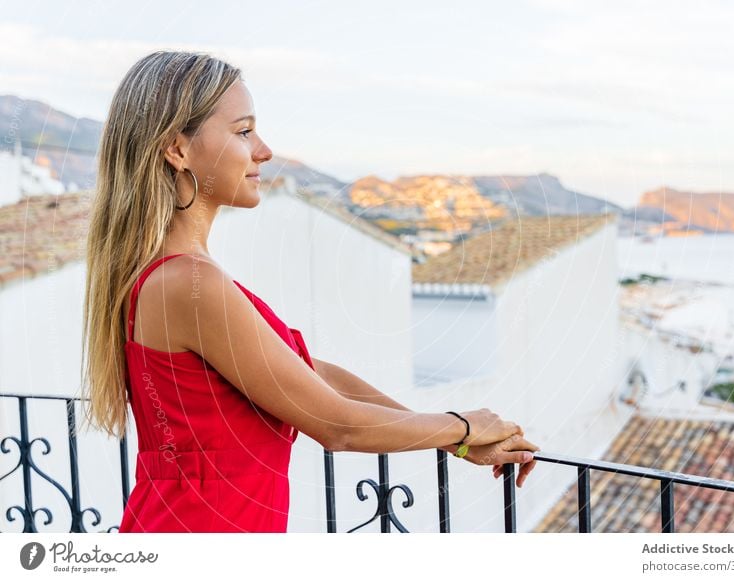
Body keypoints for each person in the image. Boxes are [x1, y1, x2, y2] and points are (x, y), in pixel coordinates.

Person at [80, 50, 540, 533]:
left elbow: (314, 374)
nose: (264, 150)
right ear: (177, 150)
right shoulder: (189, 285)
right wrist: (464, 423)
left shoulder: (176, 276)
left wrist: (451, 438)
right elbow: (336, 425)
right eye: (243, 131)